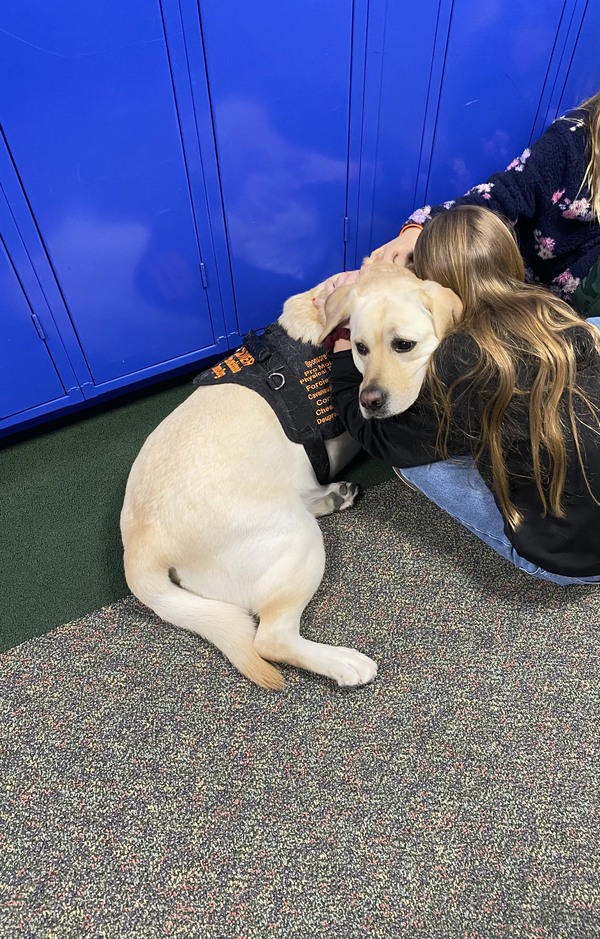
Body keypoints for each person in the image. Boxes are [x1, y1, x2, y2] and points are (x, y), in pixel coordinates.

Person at [328, 205, 600, 585]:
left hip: (571, 562)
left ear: (437, 287)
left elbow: (379, 439)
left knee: (409, 455)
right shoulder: (554, 308)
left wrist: (343, 366)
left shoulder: (458, 362)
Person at [371, 90, 600, 318]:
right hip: (521, 298)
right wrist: (420, 230)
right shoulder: (574, 141)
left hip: (560, 322)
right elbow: (503, 195)